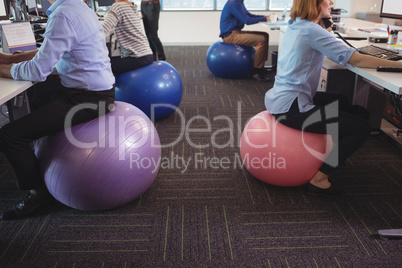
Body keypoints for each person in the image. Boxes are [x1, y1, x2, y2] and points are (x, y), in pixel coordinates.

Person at [264, 0, 402, 195]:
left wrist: (325, 24)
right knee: (361, 128)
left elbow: (329, 43)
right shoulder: (312, 30)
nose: (332, 2)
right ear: (314, 3)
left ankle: (334, 155)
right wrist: (399, 64)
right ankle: (320, 178)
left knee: (342, 101)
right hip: (291, 108)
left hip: (280, 98)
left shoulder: (296, 24)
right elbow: (357, 59)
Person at [0, 0, 115, 220]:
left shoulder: (63, 15)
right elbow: (47, 51)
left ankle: (38, 194)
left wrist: (5, 70)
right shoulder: (79, 7)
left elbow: (37, 70)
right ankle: (37, 157)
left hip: (89, 99)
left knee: (9, 135)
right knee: (37, 94)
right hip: (94, 90)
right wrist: (10, 59)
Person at [219, 0, 271, 81]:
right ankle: (256, 72)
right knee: (262, 39)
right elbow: (247, 20)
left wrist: (264, 17)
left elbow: (249, 15)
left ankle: (261, 66)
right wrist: (264, 18)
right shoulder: (233, 3)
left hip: (236, 32)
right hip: (230, 36)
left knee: (265, 35)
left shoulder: (239, 2)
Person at [102, 0, 153, 74]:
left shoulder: (117, 6)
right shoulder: (132, 6)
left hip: (137, 57)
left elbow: (103, 31)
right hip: (146, 55)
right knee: (112, 59)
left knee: (103, 66)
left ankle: (112, 85)